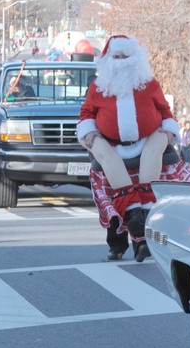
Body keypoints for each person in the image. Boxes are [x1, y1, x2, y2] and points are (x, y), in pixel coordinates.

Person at [77, 35, 181, 255]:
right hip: (112, 147)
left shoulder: (150, 85)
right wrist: (90, 133)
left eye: (126, 56)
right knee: (114, 186)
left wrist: (168, 131)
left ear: (136, 59)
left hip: (147, 144)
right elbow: (86, 113)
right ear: (108, 59)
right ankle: (118, 244)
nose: (122, 61)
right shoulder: (98, 88)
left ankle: (145, 239)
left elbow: (164, 111)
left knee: (151, 184)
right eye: (117, 56)